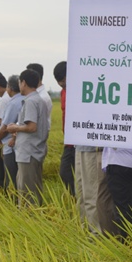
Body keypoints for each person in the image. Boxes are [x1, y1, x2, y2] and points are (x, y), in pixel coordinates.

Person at [7, 69, 49, 206]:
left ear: (23, 83)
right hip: (32, 151)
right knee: (32, 189)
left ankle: (29, 220)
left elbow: (31, 127)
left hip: (29, 153)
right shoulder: (38, 100)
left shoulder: (31, 101)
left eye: (20, 82)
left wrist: (15, 128)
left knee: (27, 193)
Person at [0, 75, 23, 190]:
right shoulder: (24, 99)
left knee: (12, 179)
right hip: (19, 145)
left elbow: (5, 127)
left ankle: (15, 203)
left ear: (9, 88)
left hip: (10, 147)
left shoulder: (13, 103)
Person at [53, 61, 75, 196]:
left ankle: (78, 200)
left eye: (63, 80)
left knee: (73, 173)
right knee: (65, 173)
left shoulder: (78, 90)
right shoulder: (63, 92)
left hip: (78, 142)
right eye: (58, 81)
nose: (61, 83)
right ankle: (74, 198)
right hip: (69, 142)